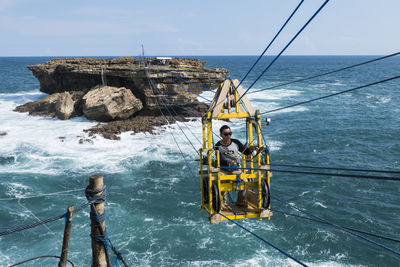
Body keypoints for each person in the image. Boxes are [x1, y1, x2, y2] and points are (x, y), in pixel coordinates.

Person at [214, 125, 257, 208]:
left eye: (230, 133)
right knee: (221, 181)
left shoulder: (236, 142)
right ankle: (222, 203)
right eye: (226, 134)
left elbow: (246, 152)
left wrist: (252, 148)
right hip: (224, 169)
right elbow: (218, 160)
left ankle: (240, 201)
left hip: (235, 168)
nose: (228, 136)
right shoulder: (217, 146)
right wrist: (228, 162)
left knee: (245, 181)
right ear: (221, 135)